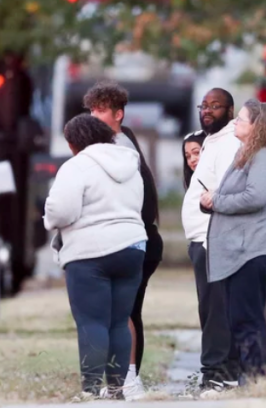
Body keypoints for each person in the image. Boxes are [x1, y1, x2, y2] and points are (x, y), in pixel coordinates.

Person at [44, 114, 146, 399]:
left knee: (92, 322)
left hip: (90, 252)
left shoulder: (76, 166)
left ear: (74, 143)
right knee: (119, 320)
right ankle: (116, 388)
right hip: (132, 247)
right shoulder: (130, 163)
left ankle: (90, 390)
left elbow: (61, 211)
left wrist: (48, 218)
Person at [200, 100, 266, 386]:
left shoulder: (263, 155)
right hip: (243, 250)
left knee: (246, 318)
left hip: (255, 249)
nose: (235, 124)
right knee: (241, 318)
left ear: (257, 126)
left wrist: (218, 201)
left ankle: (255, 382)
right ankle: (250, 380)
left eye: (240, 119)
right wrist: (212, 200)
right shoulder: (246, 153)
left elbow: (256, 197)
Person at [83, 81, 163, 399]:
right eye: (91, 110)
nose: (93, 116)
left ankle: (128, 382)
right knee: (126, 313)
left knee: (125, 314)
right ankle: (121, 382)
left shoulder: (118, 148)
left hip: (136, 240)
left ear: (118, 114)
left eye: (101, 110)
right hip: (138, 239)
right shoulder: (119, 139)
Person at [182, 88, 242, 394]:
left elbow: (227, 191)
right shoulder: (212, 142)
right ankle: (227, 372)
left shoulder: (230, 142)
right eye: (203, 105)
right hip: (203, 239)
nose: (206, 110)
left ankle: (215, 374)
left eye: (215, 106)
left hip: (213, 239)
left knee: (215, 311)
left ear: (230, 111)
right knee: (213, 310)